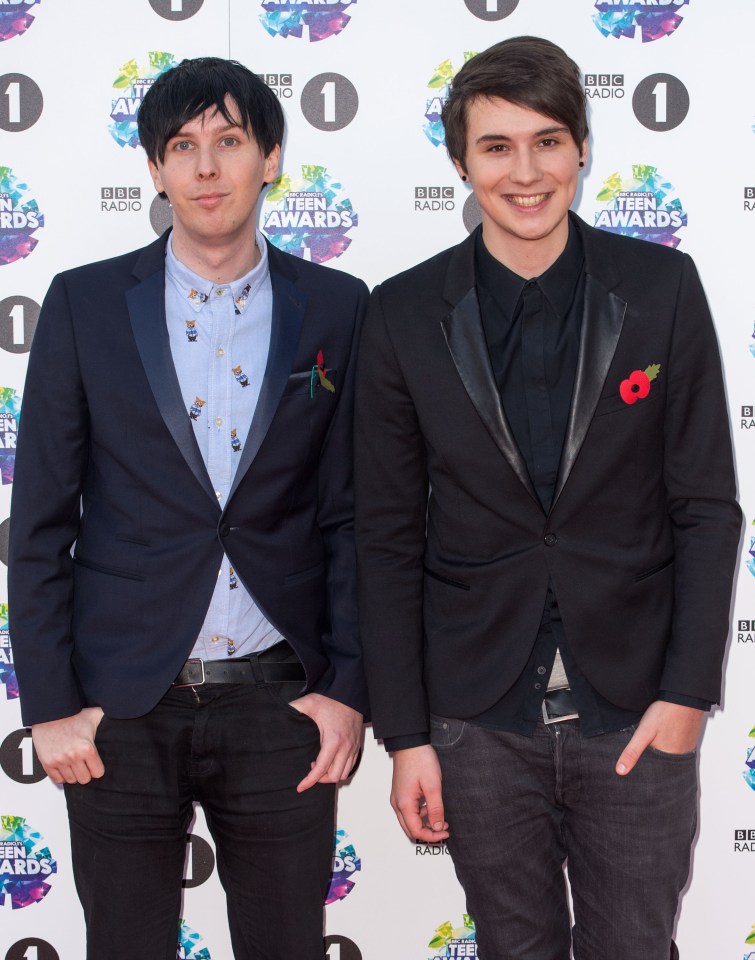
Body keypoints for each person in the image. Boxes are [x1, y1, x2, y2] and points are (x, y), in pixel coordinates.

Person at [354, 36, 740, 960]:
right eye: (496, 147)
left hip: (636, 714)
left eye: (547, 142)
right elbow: (384, 536)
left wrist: (687, 693)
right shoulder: (402, 312)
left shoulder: (659, 289)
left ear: (580, 150)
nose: (524, 173)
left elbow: (705, 506)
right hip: (476, 721)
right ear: (460, 161)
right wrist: (406, 736)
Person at [9, 56, 368, 960]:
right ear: (157, 171)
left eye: (230, 141)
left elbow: (356, 519)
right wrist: (50, 707)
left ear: (271, 159)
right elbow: (41, 520)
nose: (207, 168)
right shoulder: (86, 303)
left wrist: (345, 693)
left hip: (281, 707)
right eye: (183, 146)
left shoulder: (338, 308)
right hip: (121, 713)